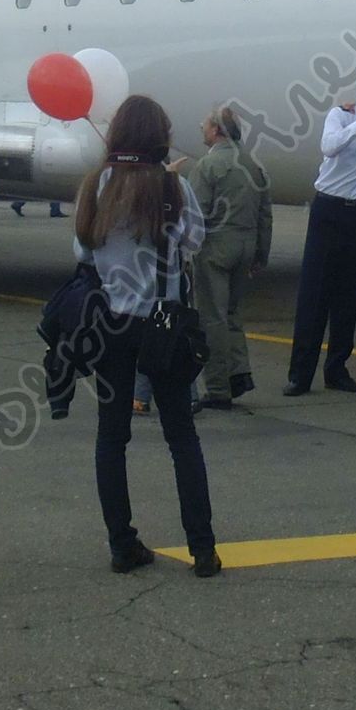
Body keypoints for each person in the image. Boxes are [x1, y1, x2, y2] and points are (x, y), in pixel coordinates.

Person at [72, 94, 219, 577]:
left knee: (111, 437)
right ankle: (201, 548)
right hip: (163, 323)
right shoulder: (172, 186)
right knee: (182, 436)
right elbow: (195, 241)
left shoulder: (97, 184)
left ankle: (122, 544)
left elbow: (83, 251)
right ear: (160, 135)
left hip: (111, 324)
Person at [286, 64, 356, 396]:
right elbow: (329, 146)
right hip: (330, 209)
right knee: (314, 295)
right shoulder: (342, 116)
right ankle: (300, 374)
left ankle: (337, 369)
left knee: (349, 298)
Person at [183, 106, 271, 410]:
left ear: (217, 131)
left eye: (205, 125)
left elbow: (195, 214)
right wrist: (261, 252)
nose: (201, 128)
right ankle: (239, 372)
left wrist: (184, 250)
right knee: (232, 313)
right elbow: (264, 213)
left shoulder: (207, 166)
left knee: (212, 317)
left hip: (216, 246)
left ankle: (219, 387)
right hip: (245, 244)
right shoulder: (252, 164)